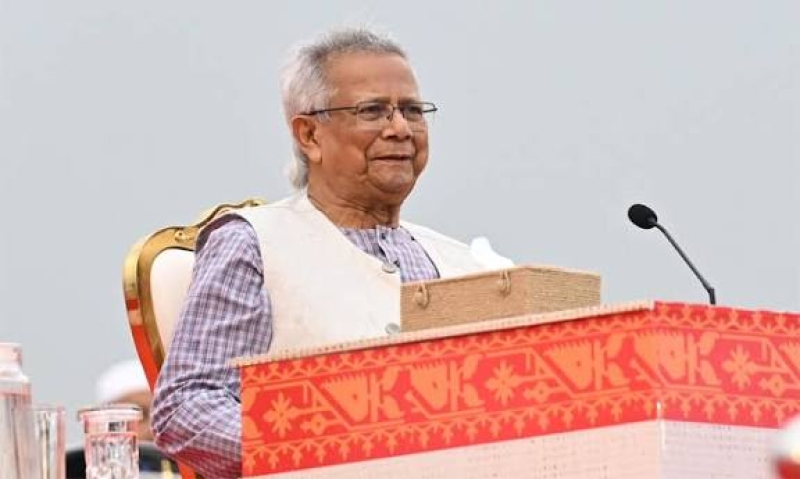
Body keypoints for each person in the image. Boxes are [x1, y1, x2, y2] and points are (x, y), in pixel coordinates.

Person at [151, 26, 510, 478]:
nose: (400, 129)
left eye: (412, 111)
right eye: (373, 111)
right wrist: (321, 454)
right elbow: (186, 404)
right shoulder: (254, 244)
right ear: (309, 135)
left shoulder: (461, 262)